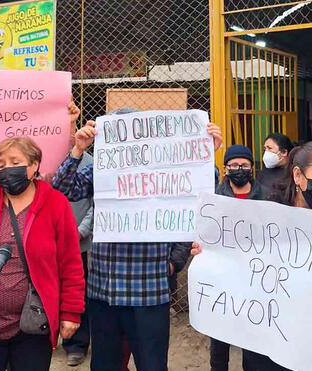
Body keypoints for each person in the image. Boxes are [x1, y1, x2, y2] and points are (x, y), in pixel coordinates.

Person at [51, 109, 222, 371]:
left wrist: (206, 153)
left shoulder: (166, 166)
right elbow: (62, 190)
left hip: (148, 290)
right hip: (104, 289)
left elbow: (199, 195)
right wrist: (77, 150)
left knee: (152, 364)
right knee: (105, 365)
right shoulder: (102, 167)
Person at [192, 145, 291, 371]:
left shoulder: (268, 196)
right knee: (219, 335)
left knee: (253, 336)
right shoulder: (213, 198)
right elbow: (203, 233)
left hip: (254, 279)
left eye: (244, 165)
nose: (239, 169)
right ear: (226, 168)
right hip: (221, 279)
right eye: (234, 165)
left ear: (252, 168)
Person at [0, 137, 85, 371]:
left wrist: (71, 312)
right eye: (1, 163)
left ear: (34, 165)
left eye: (15, 161)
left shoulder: (55, 204)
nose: (7, 169)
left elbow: (71, 264)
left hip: (32, 324)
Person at [62, 151, 94, 367]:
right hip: (45, 242)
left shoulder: (92, 162)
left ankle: (76, 345)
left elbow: (97, 202)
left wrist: (81, 231)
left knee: (77, 291)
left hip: (77, 243)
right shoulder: (41, 156)